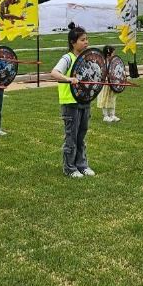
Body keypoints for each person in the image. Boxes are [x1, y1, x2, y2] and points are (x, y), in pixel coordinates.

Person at [50, 23, 95, 178]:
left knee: (81, 137)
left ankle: (82, 165)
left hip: (84, 100)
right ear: (73, 42)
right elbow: (54, 73)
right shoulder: (67, 58)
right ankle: (70, 168)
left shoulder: (86, 58)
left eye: (87, 39)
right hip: (70, 103)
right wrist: (69, 79)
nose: (86, 42)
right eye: (82, 40)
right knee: (72, 137)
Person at [96, 45, 120, 122]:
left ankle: (112, 114)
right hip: (105, 84)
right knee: (105, 99)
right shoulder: (102, 62)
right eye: (113, 53)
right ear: (108, 54)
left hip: (112, 84)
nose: (114, 55)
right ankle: (105, 116)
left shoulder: (113, 62)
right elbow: (100, 73)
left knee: (112, 99)